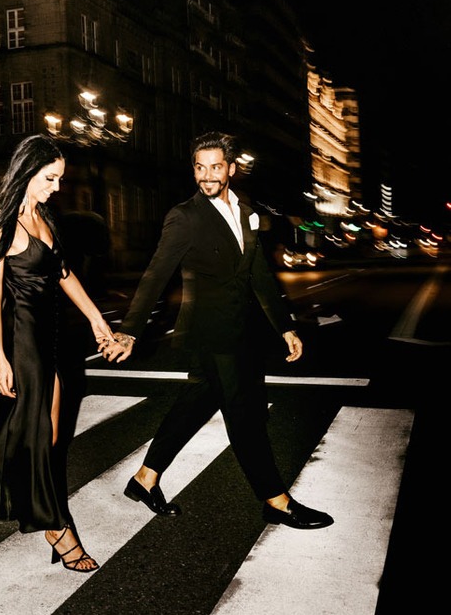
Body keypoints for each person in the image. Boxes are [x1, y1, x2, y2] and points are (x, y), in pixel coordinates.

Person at [102, 131, 333, 531]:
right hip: (213, 334)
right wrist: (130, 331)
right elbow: (156, 275)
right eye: (199, 167)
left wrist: (285, 327)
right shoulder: (185, 216)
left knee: (195, 403)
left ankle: (145, 479)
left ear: (230, 168)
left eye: (214, 167)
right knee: (246, 416)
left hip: (242, 331)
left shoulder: (246, 212)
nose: (206, 175)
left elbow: (259, 274)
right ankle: (276, 501)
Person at [0, 134, 115, 571]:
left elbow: (63, 272)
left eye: (59, 179)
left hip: (49, 341)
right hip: (22, 345)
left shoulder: (46, 219)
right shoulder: (3, 225)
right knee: (38, 441)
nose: (56, 186)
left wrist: (96, 319)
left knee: (39, 438)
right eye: (50, 178)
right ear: (28, 172)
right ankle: (57, 530)